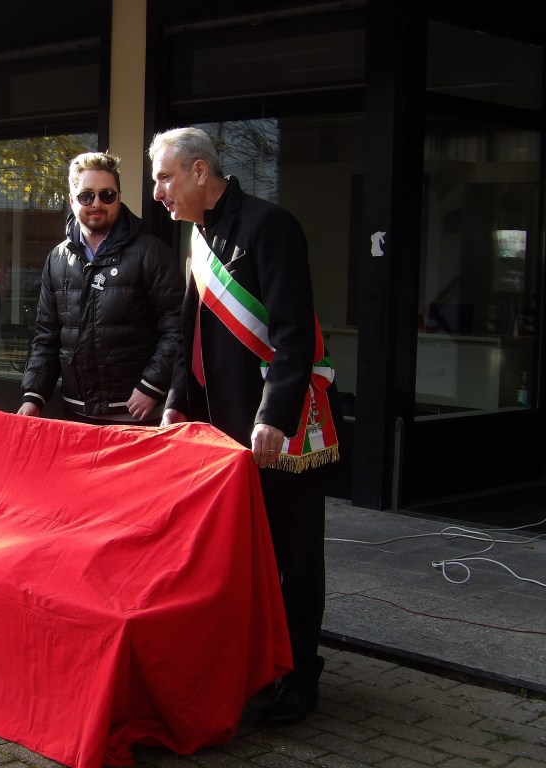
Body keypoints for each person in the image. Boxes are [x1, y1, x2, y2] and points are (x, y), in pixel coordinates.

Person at [148, 127, 340, 726]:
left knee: (294, 555)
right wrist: (177, 400)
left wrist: (274, 416)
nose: (157, 193)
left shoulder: (269, 225)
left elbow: (293, 335)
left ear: (200, 171)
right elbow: (190, 328)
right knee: (242, 555)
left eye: (164, 177)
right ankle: (258, 664)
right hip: (222, 428)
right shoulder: (199, 235)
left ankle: (300, 675)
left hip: (278, 427)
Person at [17, 151, 183, 424]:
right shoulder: (57, 258)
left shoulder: (151, 252)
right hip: (75, 413)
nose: (97, 203)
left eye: (107, 195)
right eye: (86, 196)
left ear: (119, 197)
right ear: (72, 200)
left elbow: (177, 327)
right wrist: (33, 396)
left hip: (135, 413)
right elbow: (47, 336)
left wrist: (151, 385)